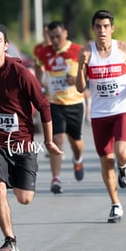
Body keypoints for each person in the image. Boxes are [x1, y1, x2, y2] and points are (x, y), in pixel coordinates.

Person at [0, 22, 62, 251]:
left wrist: (49, 141)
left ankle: (15, 179)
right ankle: (9, 240)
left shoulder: (19, 72)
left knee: (24, 199)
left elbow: (43, 106)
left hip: (22, 143)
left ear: (6, 45)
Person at [76, 10, 126, 223]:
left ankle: (124, 167)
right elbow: (79, 88)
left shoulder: (123, 48)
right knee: (106, 162)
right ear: (93, 29)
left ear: (112, 28)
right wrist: (82, 66)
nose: (102, 30)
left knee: (122, 153)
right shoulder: (86, 52)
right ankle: (116, 204)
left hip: (122, 107)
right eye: (98, 26)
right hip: (99, 113)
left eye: (106, 26)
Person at [35, 21, 85, 194]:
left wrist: (77, 78)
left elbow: (87, 71)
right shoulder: (44, 51)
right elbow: (37, 64)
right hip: (54, 103)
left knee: (75, 142)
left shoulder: (78, 50)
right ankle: (56, 178)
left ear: (65, 33)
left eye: (58, 36)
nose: (54, 41)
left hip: (75, 102)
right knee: (57, 140)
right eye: (51, 37)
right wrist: (40, 81)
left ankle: (78, 159)